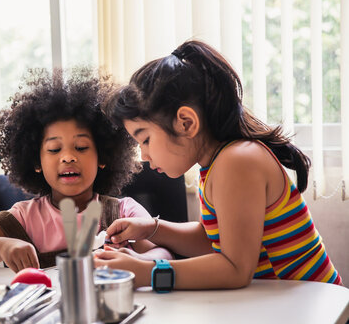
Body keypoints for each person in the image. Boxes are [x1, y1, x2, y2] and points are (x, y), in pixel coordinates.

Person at [95, 40, 342, 289]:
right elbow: (214, 241)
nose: (144, 156)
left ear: (186, 123)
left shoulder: (238, 162)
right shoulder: (216, 163)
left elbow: (235, 269)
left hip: (317, 308)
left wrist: (146, 272)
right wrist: (151, 229)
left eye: (145, 139)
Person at [0, 67, 172, 273]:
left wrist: (136, 260)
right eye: (54, 149)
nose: (68, 157)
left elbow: (164, 253)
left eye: (81, 147)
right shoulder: (22, 218)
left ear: (103, 157)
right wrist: (2, 246)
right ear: (36, 162)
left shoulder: (124, 213)